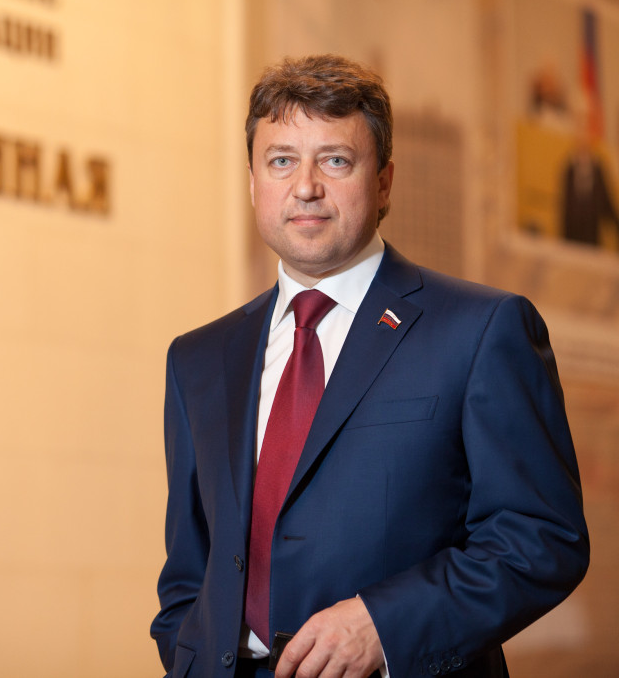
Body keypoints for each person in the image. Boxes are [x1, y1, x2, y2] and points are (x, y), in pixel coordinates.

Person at [150, 54, 589, 678]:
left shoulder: (481, 330)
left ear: (384, 182)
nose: (305, 186)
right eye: (281, 161)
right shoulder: (197, 358)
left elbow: (541, 539)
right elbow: (189, 569)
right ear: (252, 182)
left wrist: (385, 626)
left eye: (335, 160)